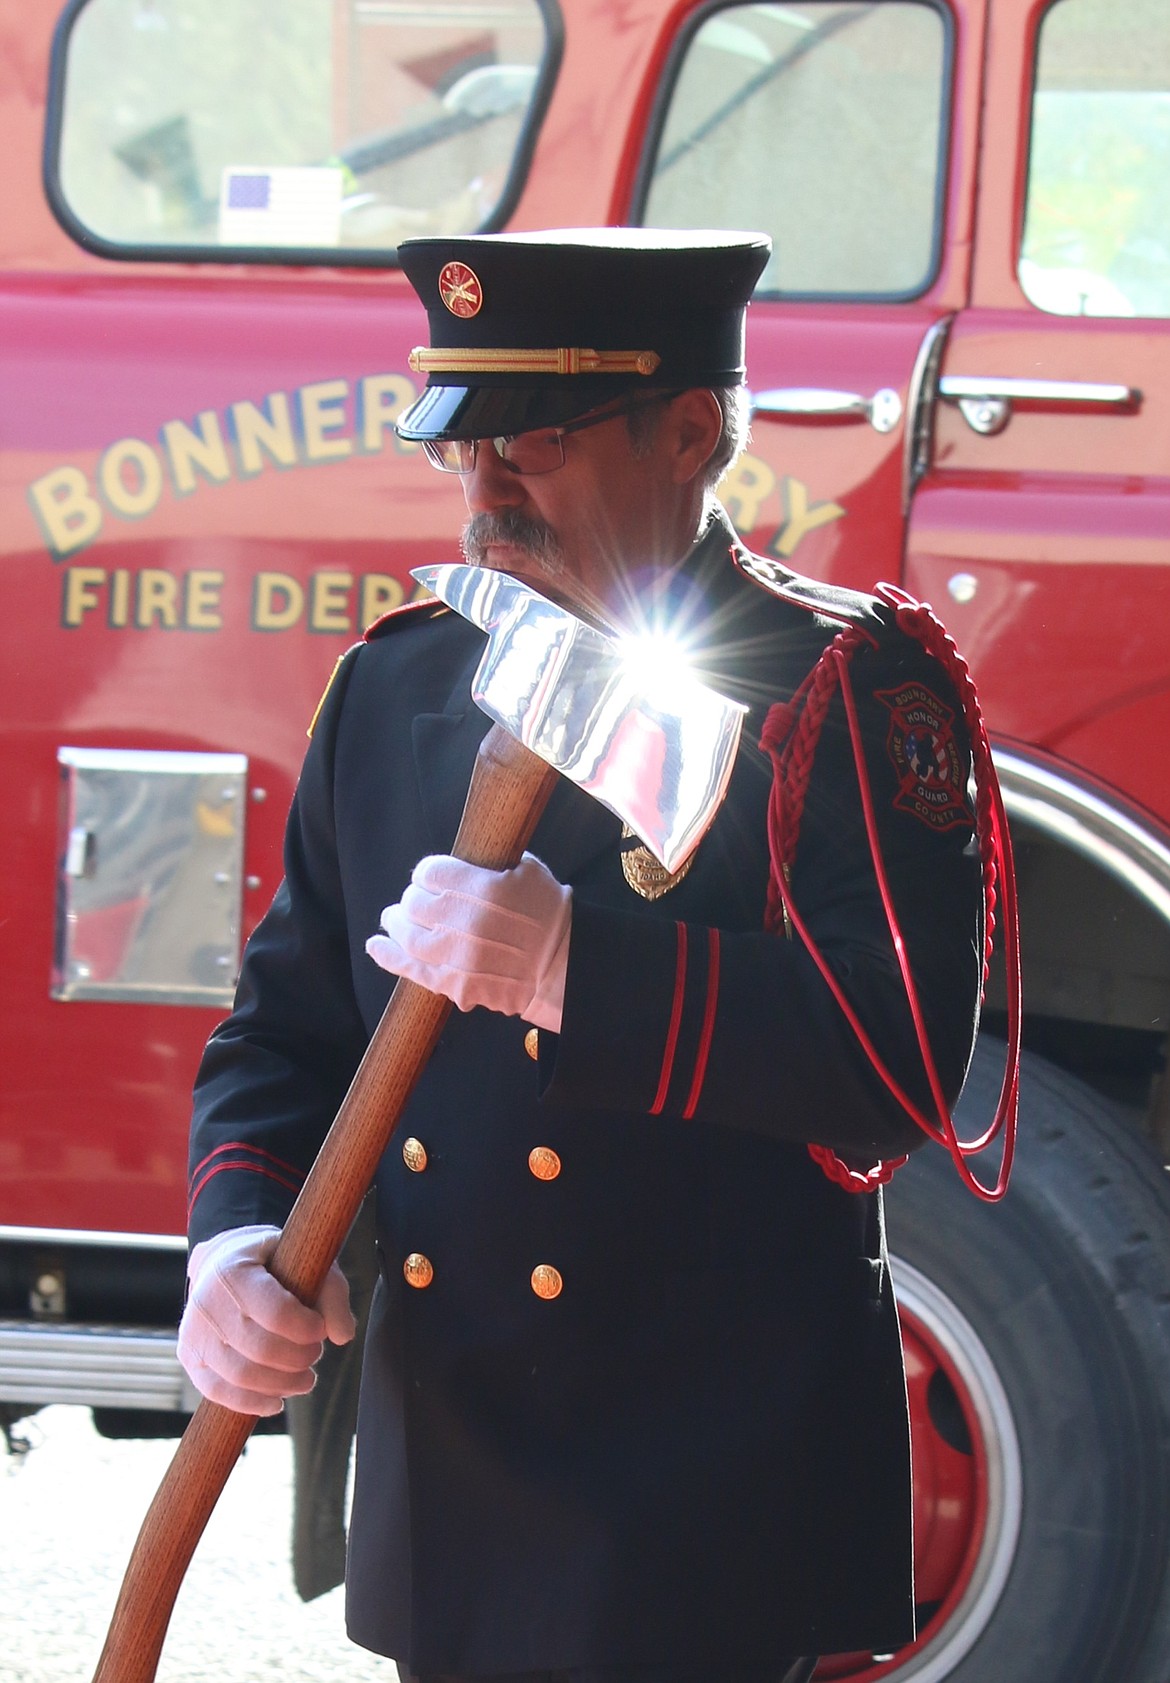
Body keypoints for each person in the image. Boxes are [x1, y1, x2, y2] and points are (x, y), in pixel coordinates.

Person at [178, 228, 986, 1683]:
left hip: (707, 1485)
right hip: (459, 1473)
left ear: (690, 431)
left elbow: (898, 1060)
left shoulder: (839, 681)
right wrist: (234, 1248)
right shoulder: (394, 682)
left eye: (533, 442)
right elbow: (281, 1038)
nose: (485, 490)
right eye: (461, 448)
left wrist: (575, 970)